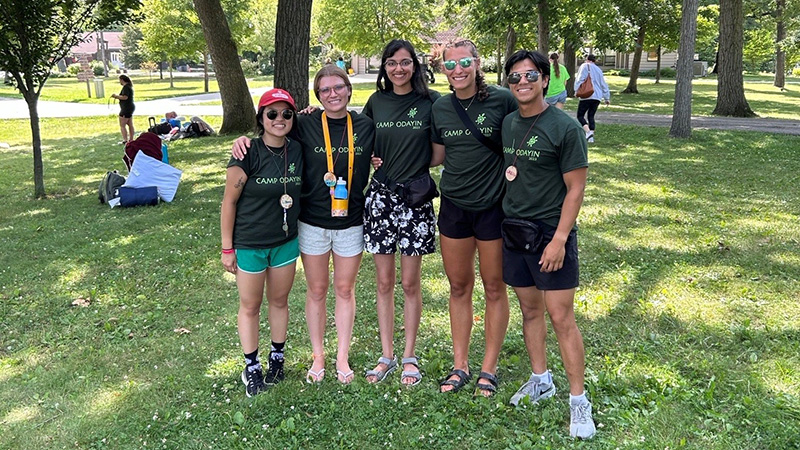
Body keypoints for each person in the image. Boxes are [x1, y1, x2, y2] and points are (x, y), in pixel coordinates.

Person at [232, 66, 375, 385]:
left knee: (344, 289)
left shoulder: (365, 125)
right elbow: (272, 132)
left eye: (338, 87)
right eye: (324, 90)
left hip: (351, 222)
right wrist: (243, 140)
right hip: (312, 223)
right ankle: (318, 356)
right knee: (317, 289)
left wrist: (376, 159)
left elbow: (380, 154)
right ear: (317, 96)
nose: (333, 94)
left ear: (349, 90)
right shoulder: (307, 123)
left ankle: (341, 356)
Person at [500, 49, 595, 439]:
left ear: (544, 79)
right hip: (514, 230)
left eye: (529, 76)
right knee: (529, 310)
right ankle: (541, 378)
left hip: (550, 234)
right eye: (515, 78)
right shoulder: (508, 123)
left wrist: (558, 240)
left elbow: (576, 190)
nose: (522, 83)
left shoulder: (565, 128)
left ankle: (579, 401)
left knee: (561, 316)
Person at [431, 39, 517, 397]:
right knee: (458, 286)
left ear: (477, 63)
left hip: (493, 206)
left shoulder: (501, 99)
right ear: (443, 71)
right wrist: (385, 161)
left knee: (494, 286)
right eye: (450, 65)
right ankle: (460, 364)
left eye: (464, 62)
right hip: (453, 206)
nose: (458, 70)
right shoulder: (440, 108)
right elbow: (436, 156)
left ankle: (489, 367)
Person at [362, 39, 441, 386]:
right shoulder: (376, 102)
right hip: (380, 198)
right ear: (384, 67)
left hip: (414, 201)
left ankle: (409, 356)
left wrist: (418, 167)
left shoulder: (431, 102)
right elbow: (357, 141)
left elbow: (440, 152)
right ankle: (386, 356)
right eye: (392, 63)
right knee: (384, 282)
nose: (398, 69)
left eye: (405, 62)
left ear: (415, 65)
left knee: (409, 282)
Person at [221, 88, 303, 397]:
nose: (279, 119)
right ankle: (251, 366)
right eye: (272, 113)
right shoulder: (247, 153)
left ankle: (277, 359)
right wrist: (227, 248)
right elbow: (229, 202)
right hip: (250, 243)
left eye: (286, 114)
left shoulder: (297, 149)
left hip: (284, 241)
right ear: (261, 118)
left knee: (279, 301)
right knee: (250, 305)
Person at [574, 54, 610, 143]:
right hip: (597, 96)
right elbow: (603, 84)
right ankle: (590, 138)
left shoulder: (585, 66)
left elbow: (580, 79)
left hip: (587, 95)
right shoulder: (599, 70)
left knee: (580, 115)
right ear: (594, 61)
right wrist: (606, 97)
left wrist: (576, 90)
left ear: (587, 59)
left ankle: (588, 132)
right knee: (591, 115)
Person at [111, 75, 135, 144]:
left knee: (122, 125)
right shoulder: (129, 87)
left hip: (126, 108)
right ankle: (131, 139)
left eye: (120, 80)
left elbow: (125, 97)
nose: (119, 82)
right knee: (130, 124)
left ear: (122, 80)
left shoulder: (126, 87)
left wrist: (116, 96)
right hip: (130, 107)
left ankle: (125, 140)